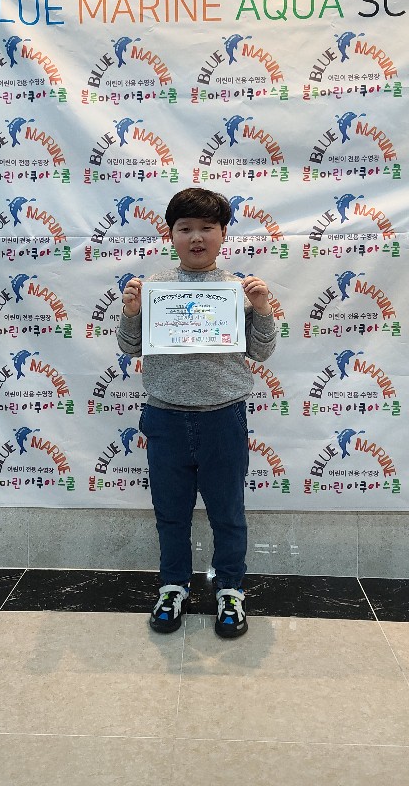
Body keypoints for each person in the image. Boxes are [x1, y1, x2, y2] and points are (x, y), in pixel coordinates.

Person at [117, 188, 276, 639]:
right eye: (185, 228)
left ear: (223, 233)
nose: (196, 237)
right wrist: (131, 312)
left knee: (228, 513)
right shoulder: (154, 288)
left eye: (207, 228)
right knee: (171, 513)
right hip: (165, 417)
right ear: (171, 235)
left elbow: (261, 352)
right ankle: (173, 587)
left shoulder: (237, 290)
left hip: (223, 418)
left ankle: (230, 590)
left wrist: (262, 309)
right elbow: (129, 348)